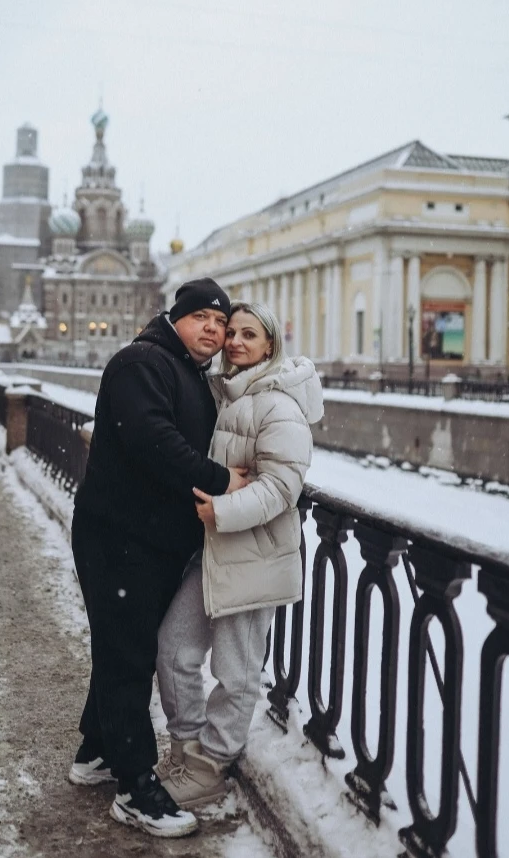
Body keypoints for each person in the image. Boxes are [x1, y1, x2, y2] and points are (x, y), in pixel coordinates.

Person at [69, 278, 250, 839]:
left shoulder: (180, 370)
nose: (214, 332)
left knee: (127, 649)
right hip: (121, 539)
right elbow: (151, 438)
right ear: (177, 319)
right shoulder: (141, 362)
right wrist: (222, 481)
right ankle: (134, 787)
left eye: (221, 326)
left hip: (143, 539)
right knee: (128, 657)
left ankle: (96, 751)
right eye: (204, 319)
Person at [155, 300, 324, 807]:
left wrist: (222, 513)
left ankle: (211, 767)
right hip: (212, 551)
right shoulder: (225, 392)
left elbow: (283, 486)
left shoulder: (279, 404)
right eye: (232, 332)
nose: (235, 342)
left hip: (254, 553)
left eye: (249, 335)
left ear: (270, 344)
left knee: (236, 670)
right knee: (175, 649)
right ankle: (186, 749)